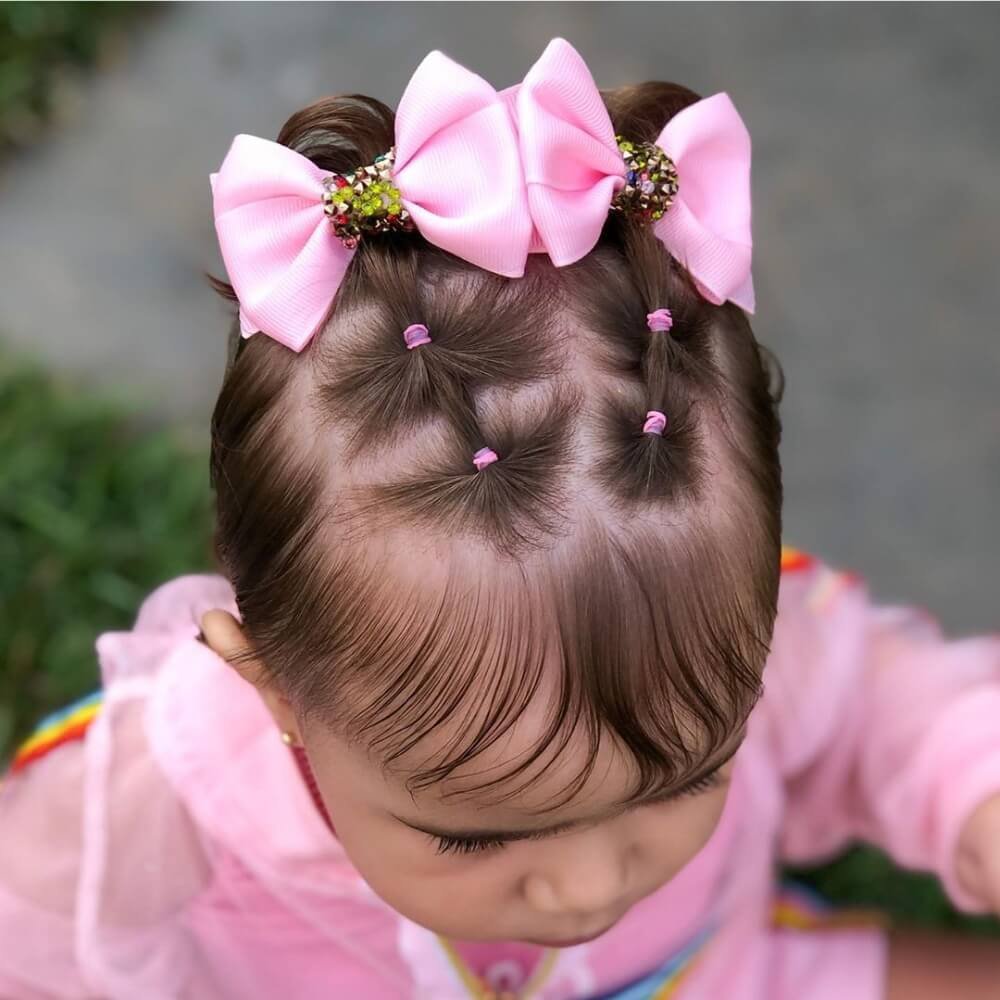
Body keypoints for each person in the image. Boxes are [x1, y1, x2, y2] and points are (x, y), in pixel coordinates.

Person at [1, 37, 998, 1000]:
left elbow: (886, 705)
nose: (587, 890)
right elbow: (31, 947)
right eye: (474, 835)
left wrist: (976, 790)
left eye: (681, 780)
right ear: (276, 693)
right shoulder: (160, 791)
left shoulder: (720, 616)